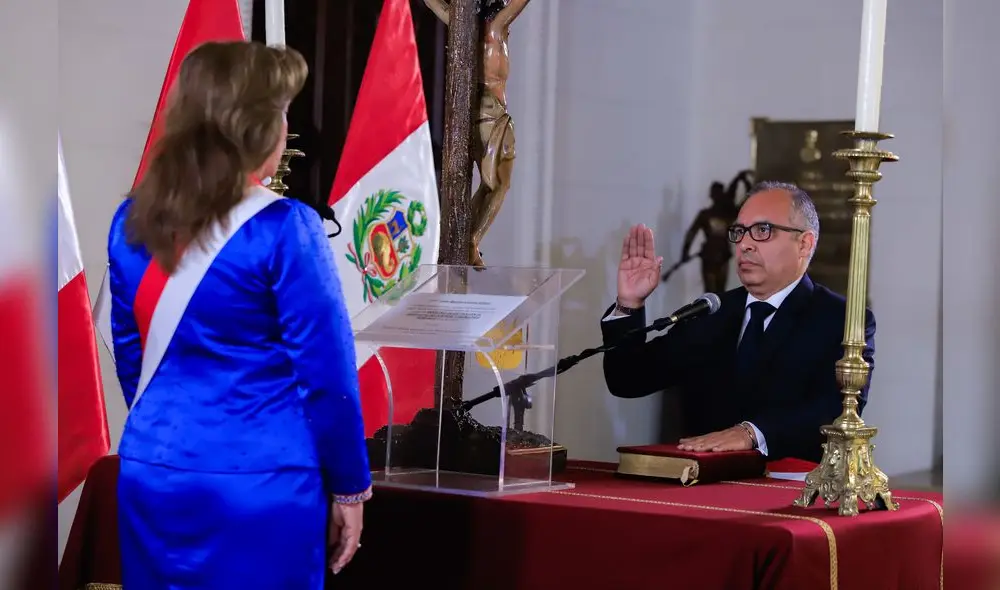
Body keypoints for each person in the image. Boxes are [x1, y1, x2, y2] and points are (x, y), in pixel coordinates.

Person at [107, 41, 371, 588]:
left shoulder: (131, 220)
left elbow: (133, 358)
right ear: (256, 130)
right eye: (283, 114)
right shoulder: (285, 226)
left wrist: (175, 436)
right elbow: (327, 375)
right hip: (260, 483)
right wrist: (350, 487)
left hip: (154, 472)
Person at [601, 181, 875, 463]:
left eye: (762, 230)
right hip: (701, 480)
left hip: (794, 482)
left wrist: (752, 433)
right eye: (739, 232)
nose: (744, 244)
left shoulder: (840, 319)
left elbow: (838, 410)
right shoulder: (712, 312)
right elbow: (628, 379)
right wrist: (629, 303)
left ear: (804, 244)